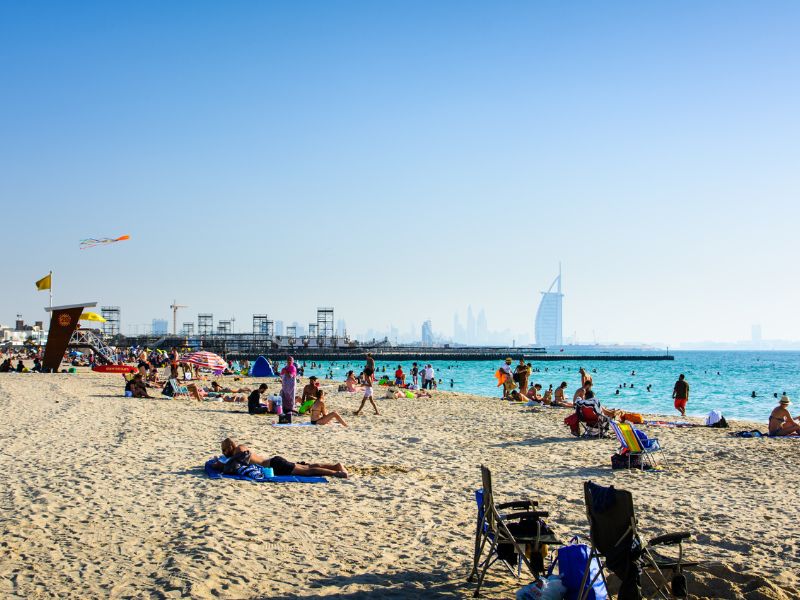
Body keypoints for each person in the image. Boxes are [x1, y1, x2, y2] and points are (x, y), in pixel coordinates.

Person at [218, 438, 348, 478]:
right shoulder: (241, 447)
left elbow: (232, 466)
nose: (223, 453)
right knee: (309, 467)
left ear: (230, 447)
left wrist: (219, 465)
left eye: (224, 450)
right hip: (275, 461)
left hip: (275, 465)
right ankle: (336, 466)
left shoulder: (239, 451)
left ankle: (337, 473)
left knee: (308, 471)